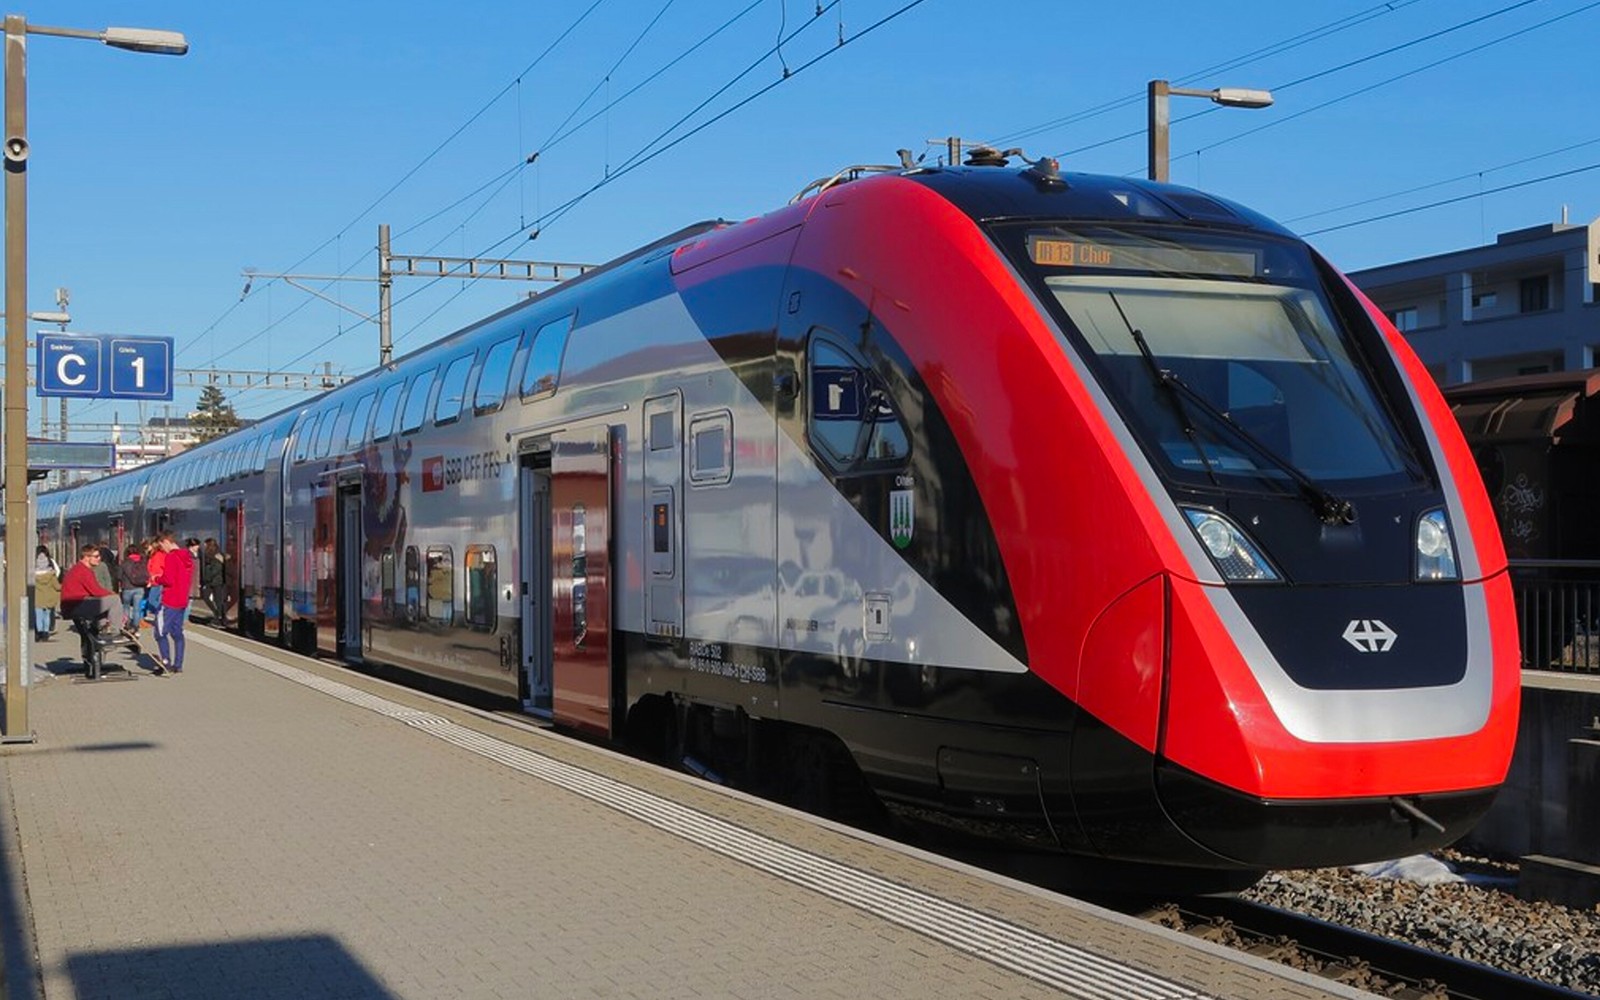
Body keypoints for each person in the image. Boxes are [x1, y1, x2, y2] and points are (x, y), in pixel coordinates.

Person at [59, 545, 128, 641]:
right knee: (114, 600)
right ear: (86, 557)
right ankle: (114, 632)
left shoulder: (78, 568)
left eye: (99, 556)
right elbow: (96, 591)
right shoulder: (84, 571)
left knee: (101, 603)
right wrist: (112, 594)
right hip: (76, 605)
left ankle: (101, 627)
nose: (99, 559)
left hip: (72, 605)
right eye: (96, 556)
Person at [153, 531, 195, 674]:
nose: (162, 550)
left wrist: (157, 579)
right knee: (177, 633)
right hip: (182, 600)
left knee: (160, 632)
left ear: (166, 541)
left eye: (161, 546)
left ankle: (165, 662)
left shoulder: (171, 557)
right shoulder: (186, 557)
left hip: (169, 600)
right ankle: (178, 664)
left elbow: (168, 580)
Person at [119, 543, 150, 635]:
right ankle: (135, 627)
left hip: (127, 588)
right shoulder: (143, 561)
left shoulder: (125, 563)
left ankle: (126, 625)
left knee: (126, 607)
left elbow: (119, 576)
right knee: (137, 608)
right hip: (140, 588)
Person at [33, 545, 61, 642]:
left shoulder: (33, 576)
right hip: (49, 598)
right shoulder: (51, 575)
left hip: (37, 599)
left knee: (38, 616)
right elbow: (57, 586)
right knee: (47, 616)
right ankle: (45, 633)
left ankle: (39, 632)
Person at [201, 538, 226, 625]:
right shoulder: (209, 555)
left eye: (205, 545)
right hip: (211, 581)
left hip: (216, 581)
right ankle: (217, 614)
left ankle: (219, 617)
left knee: (217, 599)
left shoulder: (217, 555)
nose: (204, 547)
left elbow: (216, 569)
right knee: (207, 597)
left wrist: (206, 577)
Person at [144, 538, 167, 623]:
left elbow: (155, 570)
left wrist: (151, 581)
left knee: (152, 600)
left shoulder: (156, 555)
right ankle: (160, 616)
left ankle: (162, 614)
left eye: (148, 546)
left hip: (157, 581)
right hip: (159, 580)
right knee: (158, 600)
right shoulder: (160, 554)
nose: (147, 549)